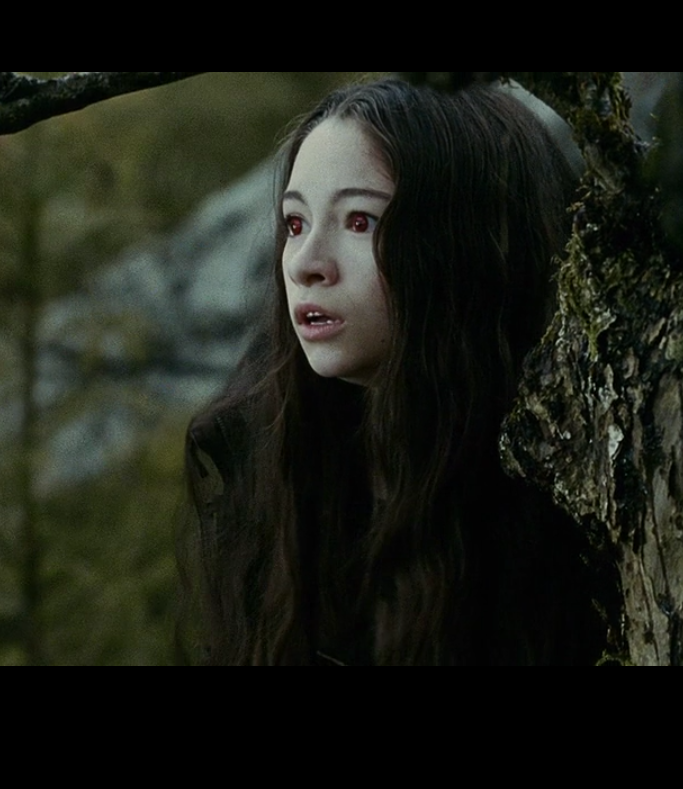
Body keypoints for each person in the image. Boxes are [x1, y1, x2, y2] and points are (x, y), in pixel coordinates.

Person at [181, 78, 611, 665]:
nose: (306, 264)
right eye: (296, 223)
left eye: (360, 222)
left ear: (468, 245)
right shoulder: (275, 473)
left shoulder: (573, 505)